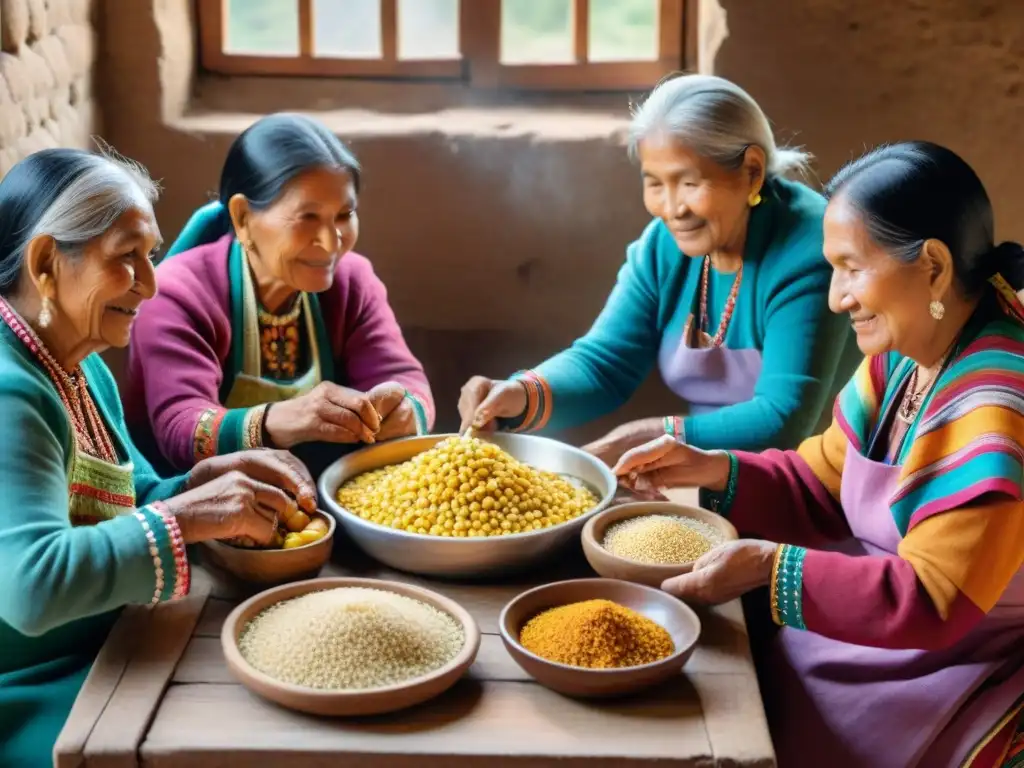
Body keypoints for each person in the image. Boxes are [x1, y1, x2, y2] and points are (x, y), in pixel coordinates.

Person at [613, 142, 1024, 768]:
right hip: (873, 644)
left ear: (934, 267)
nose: (836, 298)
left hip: (962, 666)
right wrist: (712, 467)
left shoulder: (997, 403)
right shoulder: (908, 351)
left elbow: (934, 599)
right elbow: (820, 480)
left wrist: (768, 566)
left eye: (851, 268)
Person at [0, 148, 321, 768]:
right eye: (127, 258)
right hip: (36, 687)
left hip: (116, 641)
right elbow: (32, 586)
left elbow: (134, 495)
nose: (150, 284)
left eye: (150, 257)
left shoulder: (79, 363)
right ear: (45, 261)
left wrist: (203, 483)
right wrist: (193, 516)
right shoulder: (11, 391)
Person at [458, 74, 860, 464]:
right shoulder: (664, 246)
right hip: (709, 471)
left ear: (751, 171)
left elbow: (783, 418)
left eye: (689, 183)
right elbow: (605, 362)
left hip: (820, 485)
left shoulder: (811, 248)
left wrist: (654, 436)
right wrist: (522, 394)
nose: (672, 209)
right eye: (655, 184)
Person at [123, 113, 434, 477]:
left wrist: (402, 408)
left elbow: (403, 376)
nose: (332, 241)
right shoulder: (178, 294)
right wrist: (285, 418)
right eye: (307, 218)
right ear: (242, 217)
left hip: (321, 497)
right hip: (196, 507)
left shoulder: (352, 281)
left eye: (345, 215)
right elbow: (181, 428)